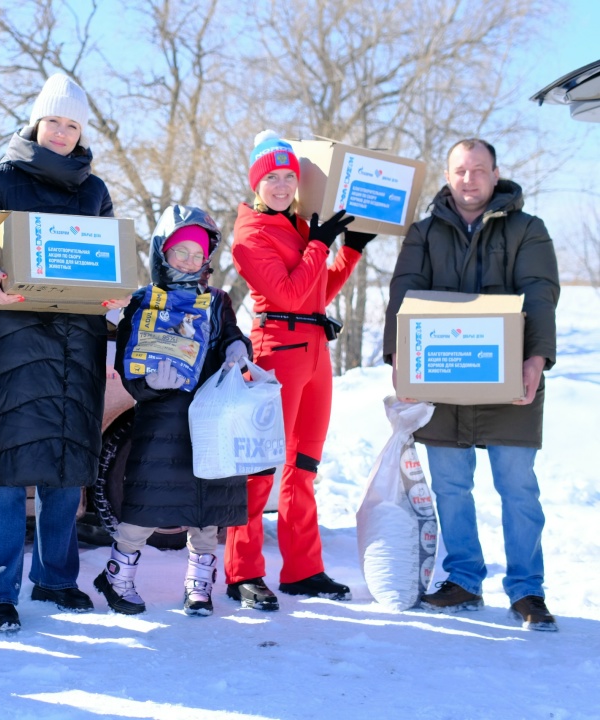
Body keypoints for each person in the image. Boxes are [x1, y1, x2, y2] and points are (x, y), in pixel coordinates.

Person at [0, 74, 128, 633]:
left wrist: (113, 293)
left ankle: (56, 578)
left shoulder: (94, 190)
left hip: (79, 343)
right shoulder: (4, 177)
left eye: (72, 124)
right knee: (4, 466)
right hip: (16, 342)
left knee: (65, 463)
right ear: (37, 123)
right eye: (54, 121)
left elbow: (105, 260)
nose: (61, 132)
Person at [384, 139, 560, 631]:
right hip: (442, 381)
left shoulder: (529, 229)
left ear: (495, 173)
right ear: (448, 174)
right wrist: (399, 359)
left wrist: (536, 359)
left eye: (478, 170)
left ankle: (527, 590)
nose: (469, 179)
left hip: (511, 381)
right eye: (460, 170)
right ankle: (463, 577)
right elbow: (403, 293)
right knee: (451, 487)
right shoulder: (423, 232)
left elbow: (540, 295)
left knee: (517, 487)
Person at [223, 131, 374, 609]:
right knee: (261, 466)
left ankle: (303, 569)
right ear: (256, 182)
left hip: (314, 349)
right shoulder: (251, 234)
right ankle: (242, 572)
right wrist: (319, 243)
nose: (283, 184)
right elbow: (287, 294)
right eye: (273, 177)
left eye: (290, 176)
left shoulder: (298, 226)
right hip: (278, 351)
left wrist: (348, 251)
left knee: (303, 465)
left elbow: (315, 293)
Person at [95, 205, 251, 617]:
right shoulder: (143, 301)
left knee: (207, 508)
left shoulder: (217, 301)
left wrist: (239, 348)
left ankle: (199, 584)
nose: (189, 261)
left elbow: (232, 339)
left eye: (197, 255)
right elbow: (126, 362)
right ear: (163, 252)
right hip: (161, 420)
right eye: (180, 251)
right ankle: (117, 576)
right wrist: (147, 384)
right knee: (148, 503)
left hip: (210, 420)